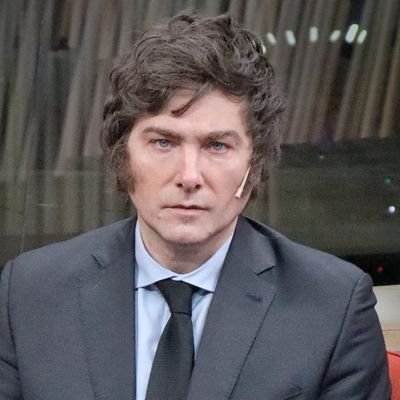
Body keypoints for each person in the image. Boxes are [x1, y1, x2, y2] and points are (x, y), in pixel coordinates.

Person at [0, 13, 390, 400]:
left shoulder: (334, 307)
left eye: (217, 146)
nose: (189, 176)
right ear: (124, 157)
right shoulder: (30, 293)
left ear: (255, 163)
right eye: (163, 143)